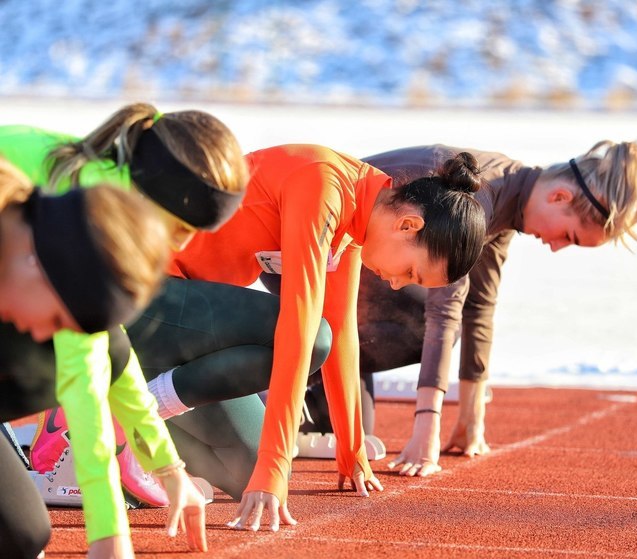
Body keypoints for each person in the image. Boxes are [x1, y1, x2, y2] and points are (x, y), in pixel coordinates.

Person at [137, 144, 487, 532]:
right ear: (408, 225)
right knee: (311, 342)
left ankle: (133, 411)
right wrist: (277, 460)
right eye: (411, 272)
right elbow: (299, 327)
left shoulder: (358, 219)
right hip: (142, 292)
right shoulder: (324, 184)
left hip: (180, 319)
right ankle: (119, 413)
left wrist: (351, 447)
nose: (396, 283)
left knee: (247, 471)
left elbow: (342, 333)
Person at [0, 103, 331, 509]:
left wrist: (165, 465)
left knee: (245, 465)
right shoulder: (92, 206)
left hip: (50, 314)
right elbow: (88, 356)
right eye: (181, 228)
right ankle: (64, 417)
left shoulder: (122, 197)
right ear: (155, 193)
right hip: (31, 319)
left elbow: (102, 347)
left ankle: (104, 419)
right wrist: (114, 507)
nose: (183, 246)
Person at [269, 137, 637, 478]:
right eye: (570, 235)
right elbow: (445, 309)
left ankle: (323, 377)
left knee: (359, 423)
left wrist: (471, 419)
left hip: (358, 274)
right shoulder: (483, 193)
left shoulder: (511, 202)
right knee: (428, 321)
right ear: (560, 196)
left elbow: (481, 307)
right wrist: (427, 427)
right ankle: (294, 368)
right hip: (301, 257)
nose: (558, 246)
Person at [0, 158, 206, 558]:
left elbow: (111, 372)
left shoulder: (55, 259)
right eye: (59, 320)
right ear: (37, 264)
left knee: (22, 535)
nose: (48, 334)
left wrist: (167, 470)